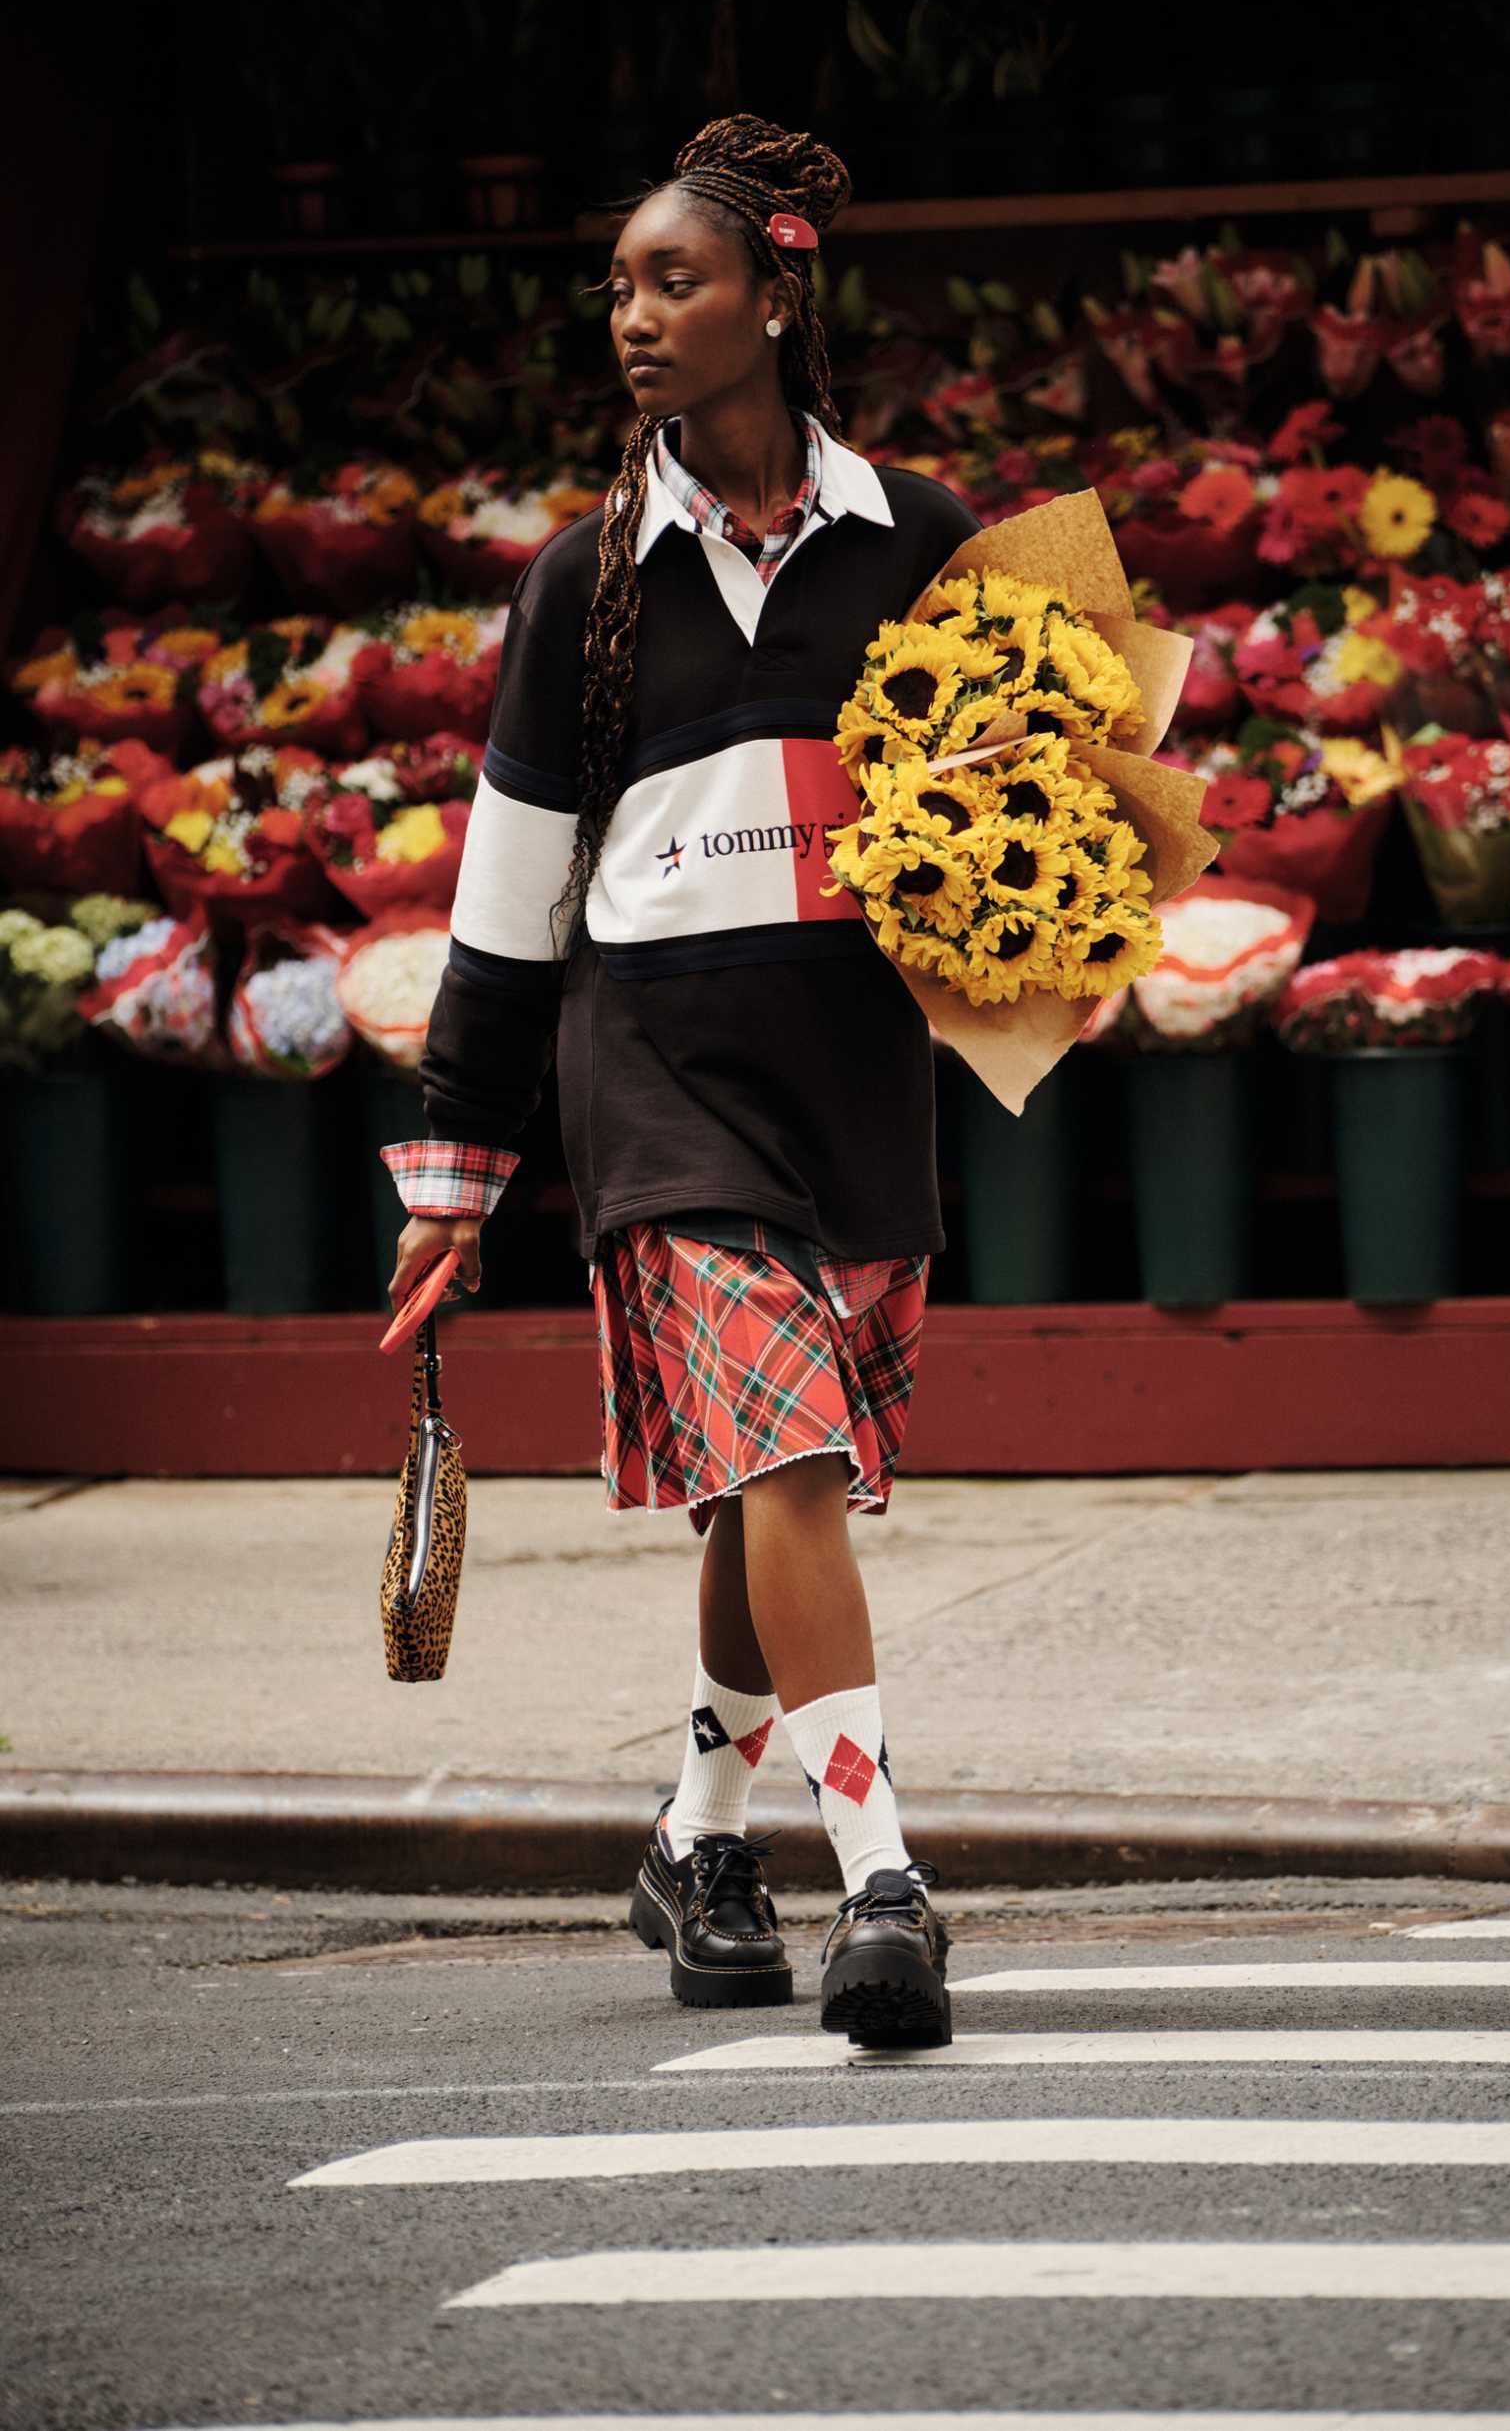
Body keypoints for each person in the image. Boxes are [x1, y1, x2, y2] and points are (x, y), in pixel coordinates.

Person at [380, 113, 981, 2048]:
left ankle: (701, 1832)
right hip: (653, 1085)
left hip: (856, 1078)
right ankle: (879, 1880)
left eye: (674, 280)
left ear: (779, 298)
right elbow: (507, 895)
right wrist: (455, 1171)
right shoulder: (584, 585)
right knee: (788, 1455)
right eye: (619, 288)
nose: (631, 318)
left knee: (763, 1487)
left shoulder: (929, 544)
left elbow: (1032, 804)